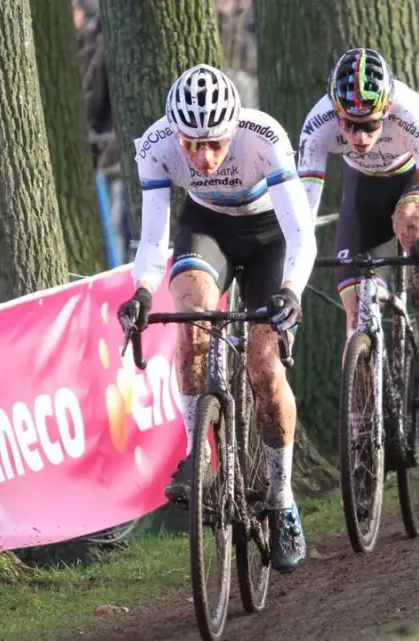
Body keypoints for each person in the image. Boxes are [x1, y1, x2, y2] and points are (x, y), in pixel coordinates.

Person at [117, 64, 317, 573]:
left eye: (213, 144)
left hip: (270, 239)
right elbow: (155, 236)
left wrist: (291, 291)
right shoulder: (156, 146)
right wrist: (142, 291)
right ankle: (197, 454)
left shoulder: (264, 136)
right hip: (207, 230)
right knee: (190, 315)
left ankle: (282, 496)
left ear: (233, 129)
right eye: (190, 145)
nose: (202, 158)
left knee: (266, 369)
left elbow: (302, 235)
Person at [295, 47, 419, 408]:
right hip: (363, 189)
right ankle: (360, 430)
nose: (360, 136)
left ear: (386, 110)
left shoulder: (411, 113)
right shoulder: (317, 124)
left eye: (370, 124)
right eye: (349, 124)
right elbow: (303, 213)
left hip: (412, 179)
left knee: (412, 228)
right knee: (356, 311)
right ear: (336, 113)